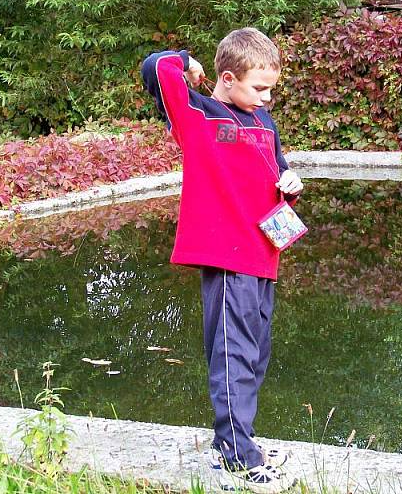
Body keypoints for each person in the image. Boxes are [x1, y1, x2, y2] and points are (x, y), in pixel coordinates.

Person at [141, 28, 303, 493]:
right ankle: (235, 457)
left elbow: (276, 161)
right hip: (227, 258)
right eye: (259, 87)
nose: (267, 98)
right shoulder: (198, 115)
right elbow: (155, 67)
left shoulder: (263, 120)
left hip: (263, 254)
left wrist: (288, 177)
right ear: (227, 78)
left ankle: (237, 440)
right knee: (232, 355)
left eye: (271, 88)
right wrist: (188, 62)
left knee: (256, 354)